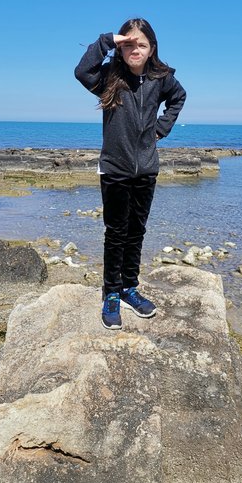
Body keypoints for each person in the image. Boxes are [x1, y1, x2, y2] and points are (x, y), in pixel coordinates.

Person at [75, 18, 186, 330]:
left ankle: (129, 288)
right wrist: (107, 40)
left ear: (152, 49)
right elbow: (82, 71)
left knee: (136, 232)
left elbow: (179, 98)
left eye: (141, 44)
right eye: (129, 44)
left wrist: (161, 128)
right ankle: (111, 293)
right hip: (115, 169)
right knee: (116, 233)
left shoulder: (161, 79)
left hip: (146, 169)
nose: (135, 49)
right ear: (121, 48)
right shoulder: (109, 78)